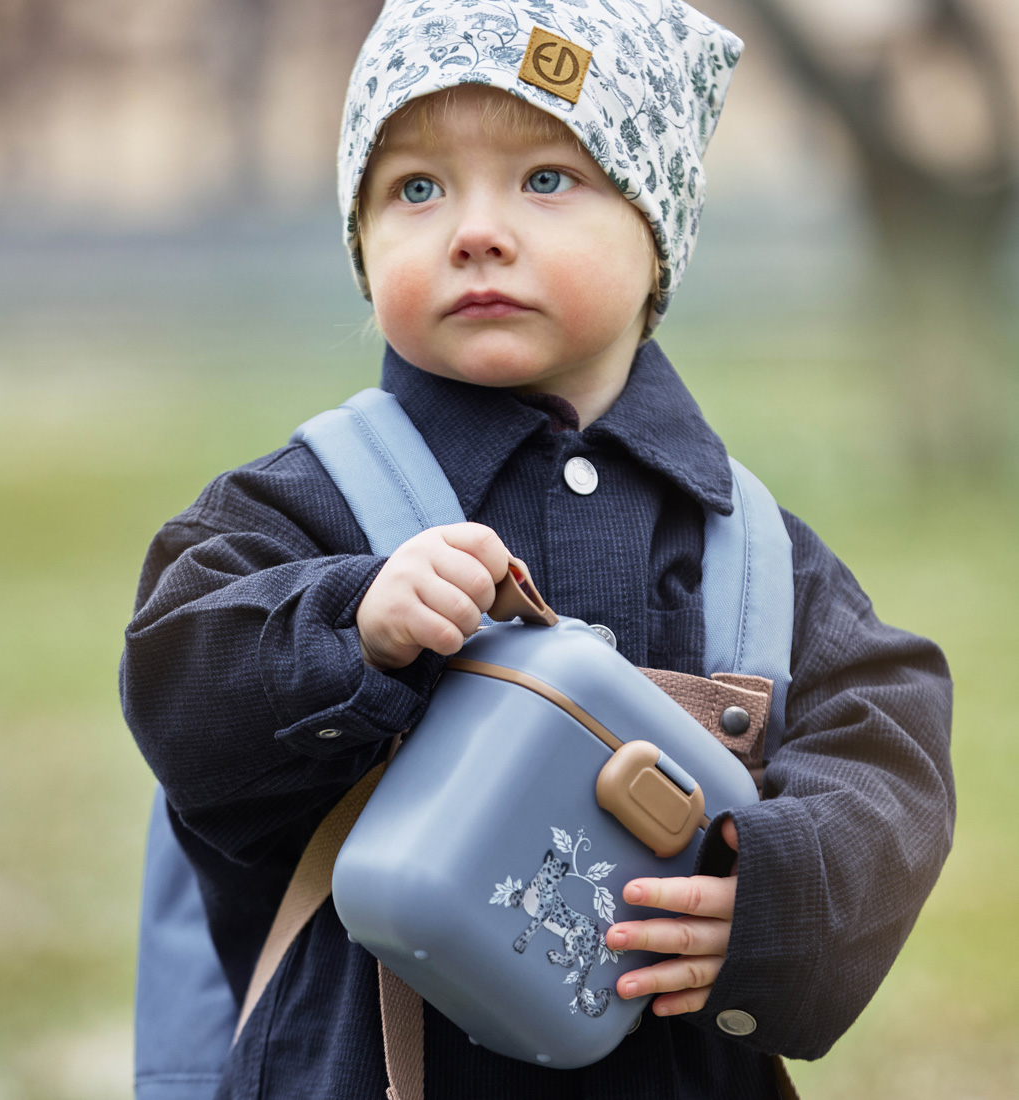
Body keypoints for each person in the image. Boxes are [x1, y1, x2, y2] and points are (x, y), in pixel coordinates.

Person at [120, 2, 955, 1097]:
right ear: (363, 245)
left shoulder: (746, 552)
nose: (475, 230)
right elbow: (178, 681)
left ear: (656, 231)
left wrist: (773, 896)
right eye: (416, 188)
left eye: (547, 179)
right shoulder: (310, 502)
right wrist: (351, 623)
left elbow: (888, 756)